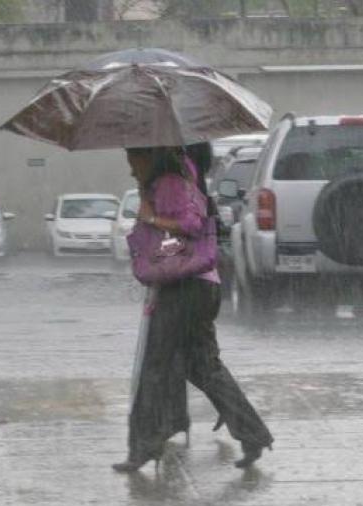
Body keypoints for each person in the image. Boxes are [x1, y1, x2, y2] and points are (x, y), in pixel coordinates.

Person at [113, 146, 274, 472]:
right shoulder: (180, 179)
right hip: (200, 286)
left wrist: (150, 218)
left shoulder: (170, 182)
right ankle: (252, 434)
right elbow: (176, 237)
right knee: (203, 367)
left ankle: (144, 446)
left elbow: (190, 225)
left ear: (150, 157)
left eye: (134, 161)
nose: (131, 169)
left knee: (155, 367)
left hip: (184, 288)